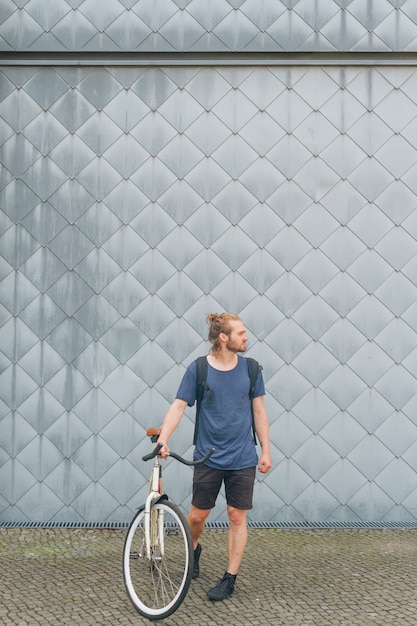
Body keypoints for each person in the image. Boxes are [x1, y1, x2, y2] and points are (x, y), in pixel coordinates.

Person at [157, 312, 272, 601]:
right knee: (197, 516)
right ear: (224, 337)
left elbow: (259, 411)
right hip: (208, 457)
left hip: (243, 457)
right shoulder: (199, 370)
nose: (246, 337)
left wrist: (266, 450)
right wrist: (163, 439)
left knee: (236, 515)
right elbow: (179, 406)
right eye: (240, 333)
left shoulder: (251, 370)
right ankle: (194, 549)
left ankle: (229, 578)